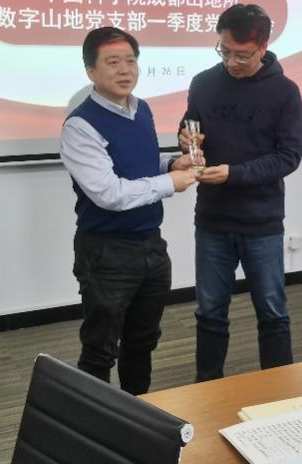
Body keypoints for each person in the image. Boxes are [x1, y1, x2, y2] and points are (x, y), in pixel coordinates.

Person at [60, 26, 197, 395]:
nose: (124, 70)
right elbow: (109, 193)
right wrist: (170, 183)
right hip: (106, 252)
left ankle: (137, 413)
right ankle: (93, 424)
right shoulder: (80, 125)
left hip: (151, 244)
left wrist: (172, 165)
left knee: (143, 341)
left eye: (130, 61)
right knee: (100, 349)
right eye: (112, 62)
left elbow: (139, 168)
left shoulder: (142, 109)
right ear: (91, 70)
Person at [179, 3, 302, 381]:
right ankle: (206, 389)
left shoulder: (284, 92)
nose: (232, 62)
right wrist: (187, 139)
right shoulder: (204, 83)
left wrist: (234, 174)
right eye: (225, 51)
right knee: (209, 313)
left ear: (263, 46)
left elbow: (288, 156)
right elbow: (189, 127)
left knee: (272, 313)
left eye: (243, 55)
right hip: (212, 219)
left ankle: (278, 392)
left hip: (261, 221)